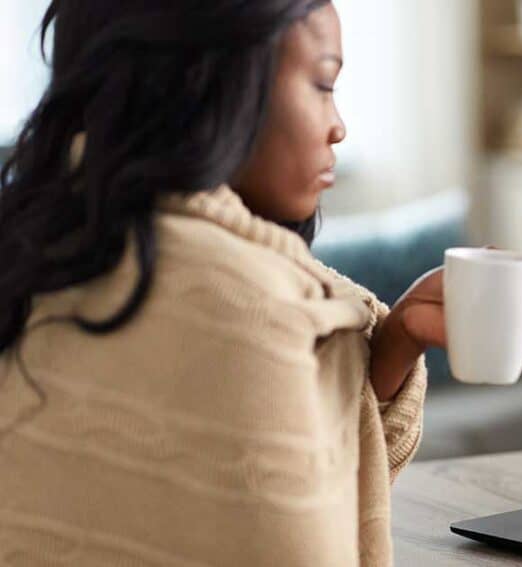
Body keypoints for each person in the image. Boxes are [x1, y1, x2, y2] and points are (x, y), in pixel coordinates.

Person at [0, 2, 442, 564]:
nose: (339, 124)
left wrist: (395, 345)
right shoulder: (253, 308)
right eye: (322, 84)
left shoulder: (40, 250)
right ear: (210, 83)